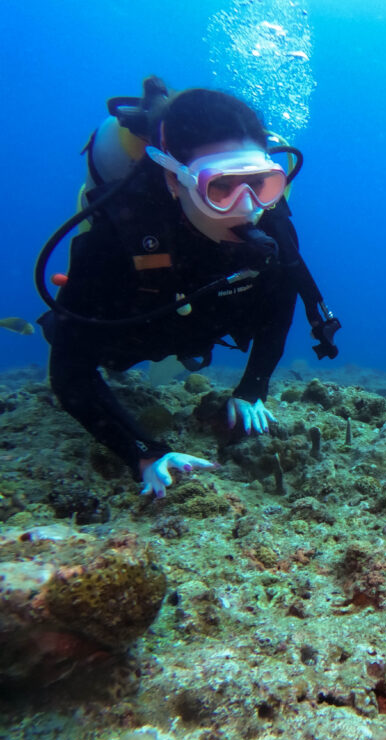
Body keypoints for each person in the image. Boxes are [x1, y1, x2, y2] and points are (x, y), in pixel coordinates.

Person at [38, 80, 338, 498]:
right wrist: (143, 452)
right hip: (135, 330)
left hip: (202, 321)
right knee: (88, 342)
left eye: (260, 183)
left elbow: (282, 300)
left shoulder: (270, 222)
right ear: (174, 179)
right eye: (220, 186)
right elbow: (69, 371)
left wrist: (253, 387)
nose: (247, 206)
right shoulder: (117, 235)